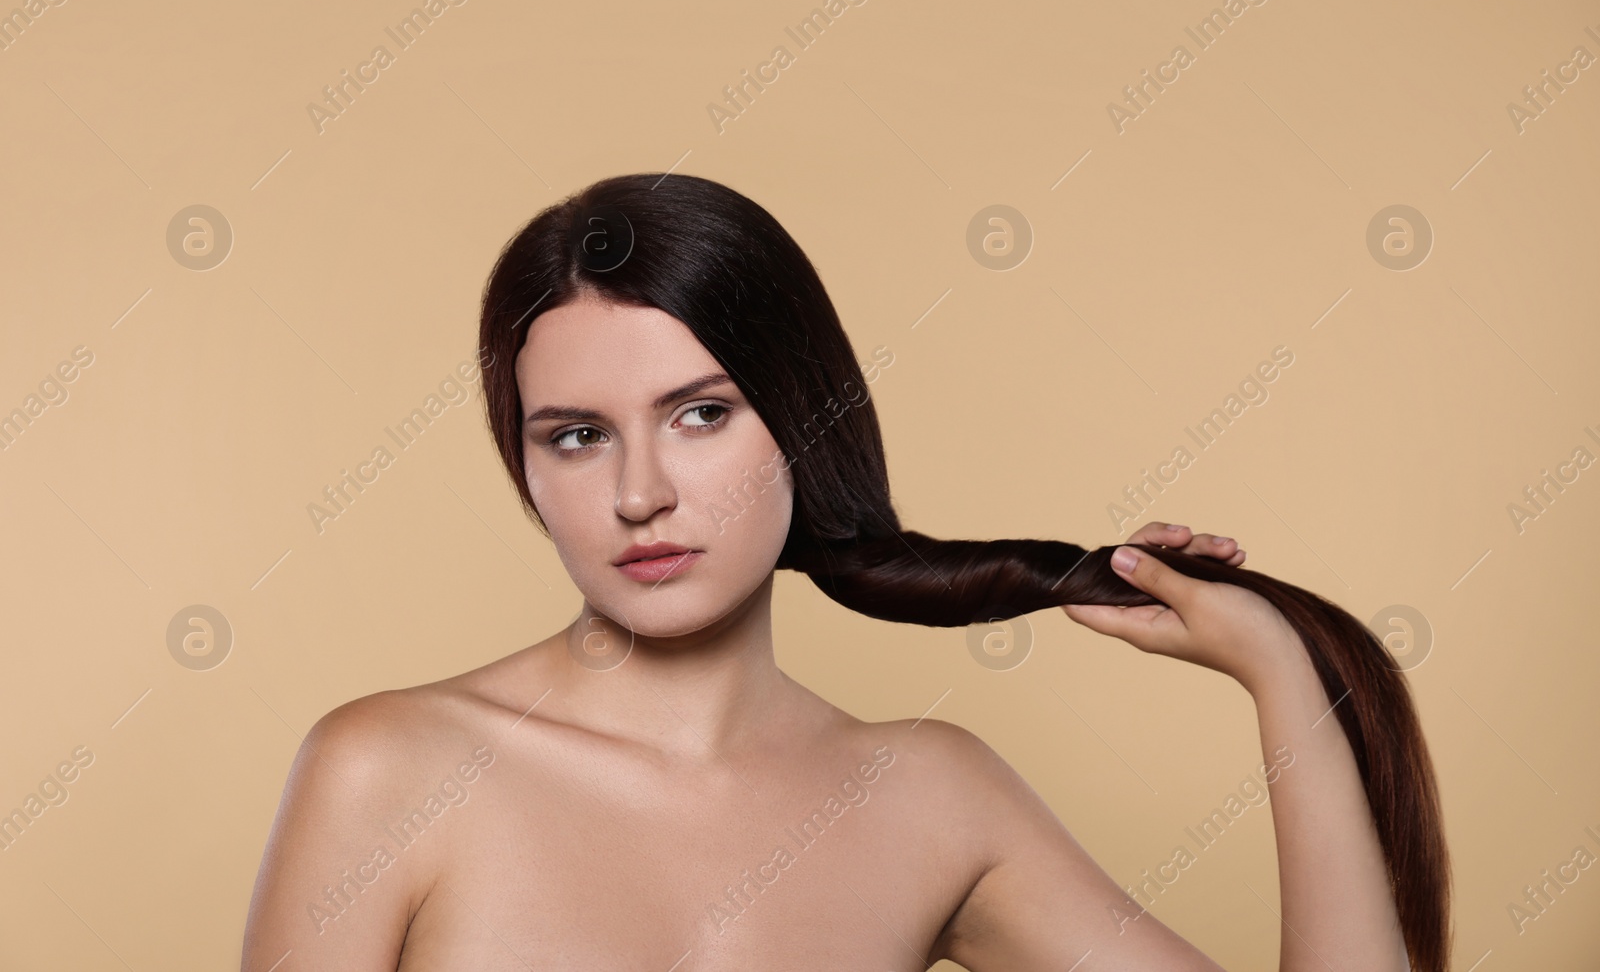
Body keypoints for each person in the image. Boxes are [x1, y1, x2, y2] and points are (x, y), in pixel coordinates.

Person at [241, 173, 1447, 971]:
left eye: (702, 413)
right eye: (576, 433)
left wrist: (1282, 674)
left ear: (804, 424)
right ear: (525, 460)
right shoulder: (390, 772)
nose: (639, 490)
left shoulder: (927, 796)